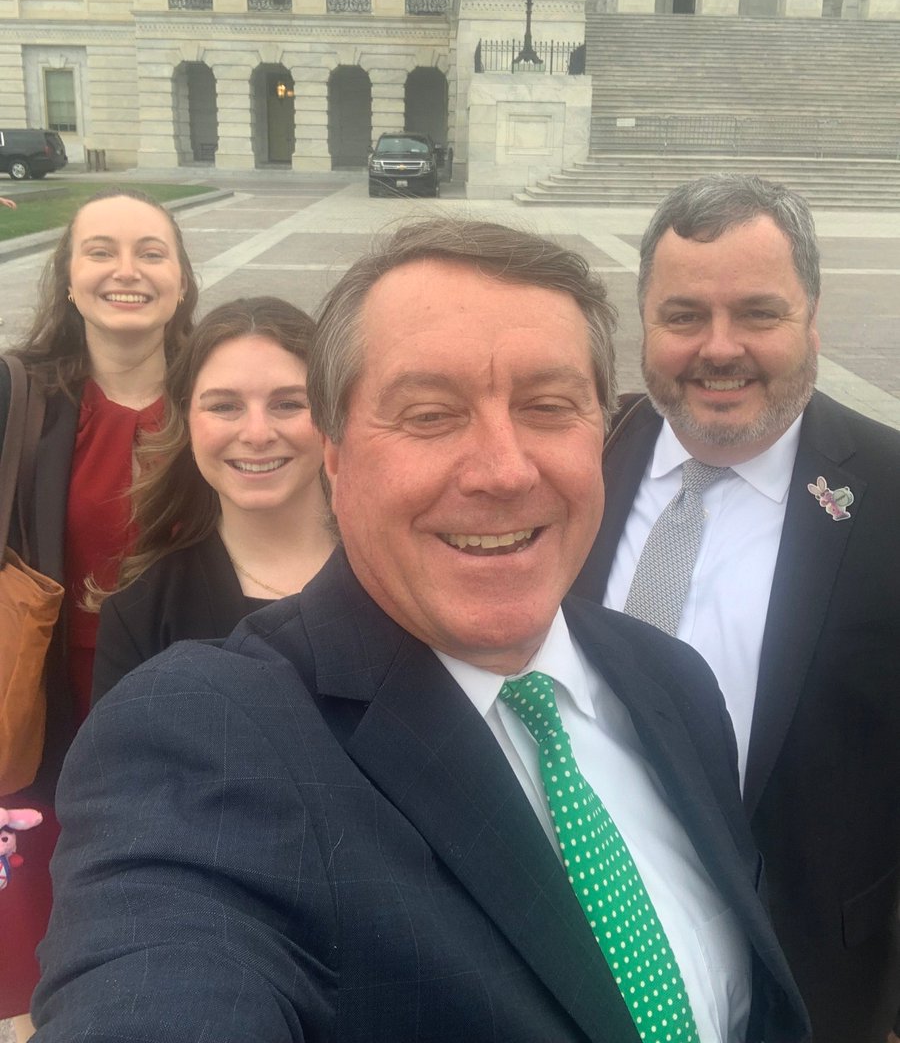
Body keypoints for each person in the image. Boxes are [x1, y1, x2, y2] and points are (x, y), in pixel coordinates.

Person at [31, 220, 808, 1043]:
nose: (505, 470)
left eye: (549, 406)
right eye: (431, 415)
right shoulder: (203, 733)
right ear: (334, 455)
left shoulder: (672, 680)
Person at [572, 174, 900, 1043]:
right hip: (577, 949)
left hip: (812, 979)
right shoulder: (570, 467)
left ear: (812, 318)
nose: (720, 348)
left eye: (759, 313)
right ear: (645, 321)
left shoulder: (893, 496)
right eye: (683, 317)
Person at [0, 188, 197, 1037]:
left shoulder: (218, 400)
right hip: (48, 702)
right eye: (102, 251)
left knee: (167, 900)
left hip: (179, 696)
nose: (128, 270)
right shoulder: (22, 400)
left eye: (152, 252)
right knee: (33, 917)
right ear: (69, 279)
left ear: (183, 282)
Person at [91, 296, 334, 704]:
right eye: (224, 406)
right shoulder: (140, 615)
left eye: (288, 403)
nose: (257, 433)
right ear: (187, 421)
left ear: (330, 415)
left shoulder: (397, 574)